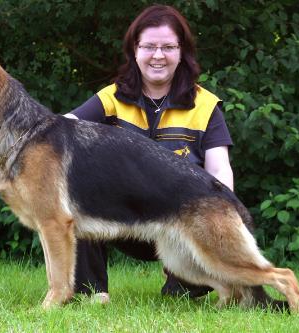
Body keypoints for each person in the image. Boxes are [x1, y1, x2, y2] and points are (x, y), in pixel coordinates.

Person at [64, 4, 234, 303]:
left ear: (182, 52)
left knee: (182, 296)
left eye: (168, 47)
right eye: (149, 47)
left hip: (179, 224)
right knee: (73, 199)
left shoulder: (206, 105)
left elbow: (220, 170)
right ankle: (92, 294)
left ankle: (180, 282)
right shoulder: (111, 97)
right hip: (120, 219)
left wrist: (223, 222)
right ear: (135, 50)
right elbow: (63, 127)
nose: (158, 55)